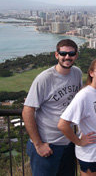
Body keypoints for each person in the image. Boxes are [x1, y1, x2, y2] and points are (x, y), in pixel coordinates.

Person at [22, 39, 82, 176]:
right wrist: (38, 145)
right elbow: (27, 111)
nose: (67, 57)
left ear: (76, 56)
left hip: (68, 143)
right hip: (47, 145)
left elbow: (78, 98)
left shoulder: (77, 73)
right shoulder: (44, 79)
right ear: (57, 55)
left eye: (71, 53)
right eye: (63, 53)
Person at [58, 56, 96, 176]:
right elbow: (62, 124)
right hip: (89, 153)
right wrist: (79, 142)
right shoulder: (84, 96)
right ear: (91, 73)